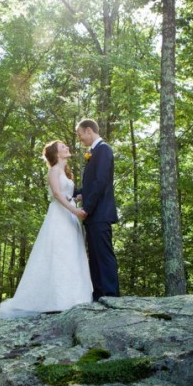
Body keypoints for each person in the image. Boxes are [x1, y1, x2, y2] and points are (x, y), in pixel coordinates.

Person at [0, 141, 92, 319]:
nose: (67, 147)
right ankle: (56, 299)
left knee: (72, 254)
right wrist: (75, 211)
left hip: (69, 215)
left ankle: (74, 297)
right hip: (60, 216)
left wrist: (78, 198)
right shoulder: (54, 171)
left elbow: (67, 194)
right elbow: (56, 194)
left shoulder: (65, 172)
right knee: (58, 254)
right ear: (56, 153)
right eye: (63, 147)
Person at [75, 118, 120, 300]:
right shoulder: (94, 152)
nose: (80, 139)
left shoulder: (104, 150)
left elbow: (101, 182)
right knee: (94, 256)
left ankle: (111, 294)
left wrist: (87, 207)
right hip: (94, 215)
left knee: (103, 254)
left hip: (100, 212)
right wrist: (76, 192)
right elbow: (91, 184)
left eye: (80, 135)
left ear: (88, 131)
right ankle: (99, 293)